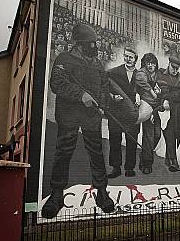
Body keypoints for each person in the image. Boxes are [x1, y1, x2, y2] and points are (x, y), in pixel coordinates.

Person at [42, 23, 115, 219]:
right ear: (81, 44)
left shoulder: (97, 64)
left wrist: (104, 104)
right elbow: (56, 82)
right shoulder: (64, 59)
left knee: (96, 153)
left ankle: (101, 192)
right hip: (69, 115)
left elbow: (104, 87)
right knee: (63, 152)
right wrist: (81, 94)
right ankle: (57, 194)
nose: (95, 47)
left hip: (91, 117)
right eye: (91, 44)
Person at [107, 46, 141, 178]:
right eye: (126, 56)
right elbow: (104, 87)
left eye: (131, 57)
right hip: (116, 112)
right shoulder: (113, 72)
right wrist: (112, 97)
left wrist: (139, 95)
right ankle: (116, 168)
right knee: (115, 140)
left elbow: (145, 92)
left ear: (135, 59)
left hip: (132, 113)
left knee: (131, 140)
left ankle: (129, 168)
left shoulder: (140, 75)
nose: (128, 59)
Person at [156, 55, 180, 172]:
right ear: (168, 64)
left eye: (177, 68)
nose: (175, 70)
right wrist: (167, 98)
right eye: (173, 67)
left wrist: (170, 97)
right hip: (159, 110)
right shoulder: (159, 73)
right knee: (167, 135)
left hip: (175, 113)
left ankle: (169, 160)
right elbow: (161, 92)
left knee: (172, 136)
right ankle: (173, 161)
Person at [135, 53, 163, 174]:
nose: (151, 65)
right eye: (148, 63)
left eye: (153, 63)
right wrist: (152, 91)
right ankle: (147, 163)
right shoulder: (142, 73)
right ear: (145, 64)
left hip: (156, 109)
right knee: (149, 135)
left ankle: (145, 154)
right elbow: (141, 81)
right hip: (145, 107)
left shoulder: (159, 74)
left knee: (157, 135)